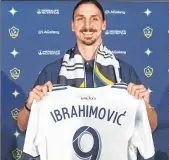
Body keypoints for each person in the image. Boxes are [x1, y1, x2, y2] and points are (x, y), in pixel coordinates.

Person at [17, 0, 157, 132]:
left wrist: (146, 107)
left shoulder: (123, 71)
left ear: (104, 24)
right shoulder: (52, 71)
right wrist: (29, 106)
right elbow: (22, 126)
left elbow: (152, 126)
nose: (87, 25)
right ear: (73, 25)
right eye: (80, 19)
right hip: (65, 157)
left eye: (94, 19)